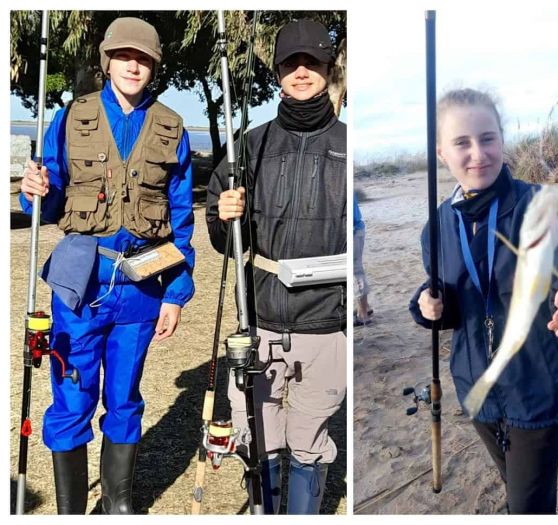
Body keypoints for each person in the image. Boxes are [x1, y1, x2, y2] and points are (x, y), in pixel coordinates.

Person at [409, 88, 558, 514]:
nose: (478, 154)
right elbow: (448, 299)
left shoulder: (544, 205)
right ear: (441, 153)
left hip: (539, 385)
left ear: (502, 140)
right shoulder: (436, 228)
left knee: (527, 504)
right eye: (461, 143)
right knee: (520, 485)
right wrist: (427, 306)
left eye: (487, 138)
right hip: (477, 387)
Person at [19, 17, 195, 514]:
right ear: (107, 61)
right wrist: (35, 190)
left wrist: (176, 293)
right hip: (78, 286)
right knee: (72, 399)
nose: (133, 64)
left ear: (154, 65)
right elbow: (47, 201)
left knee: (124, 399)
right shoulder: (70, 118)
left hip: (141, 288)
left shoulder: (171, 127)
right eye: (124, 55)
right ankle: (72, 512)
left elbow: (180, 216)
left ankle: (119, 507)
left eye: (143, 58)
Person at [206, 19, 346, 515]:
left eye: (312, 62)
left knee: (309, 439)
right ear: (278, 74)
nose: (302, 71)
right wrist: (223, 217)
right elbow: (222, 239)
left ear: (328, 69)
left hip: (327, 322)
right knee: (257, 432)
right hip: (259, 319)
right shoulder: (249, 144)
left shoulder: (352, 146)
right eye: (291, 63)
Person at [353, 192, 373, 325]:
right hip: (356, 228)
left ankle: (363, 314)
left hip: (353, 230)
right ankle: (365, 308)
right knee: (356, 269)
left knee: (355, 271)